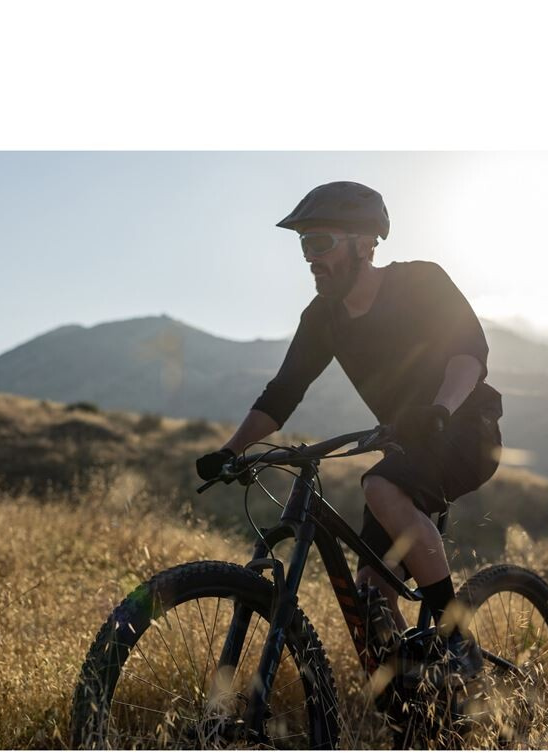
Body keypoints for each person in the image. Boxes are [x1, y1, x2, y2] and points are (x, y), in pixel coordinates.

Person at [196, 181, 503, 680]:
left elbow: (469, 354)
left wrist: (440, 409)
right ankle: (420, 700)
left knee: (380, 484)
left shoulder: (421, 282)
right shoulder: (323, 318)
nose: (311, 259)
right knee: (370, 596)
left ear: (364, 244)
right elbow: (282, 393)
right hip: (408, 446)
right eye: (305, 245)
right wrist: (230, 451)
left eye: (321, 243)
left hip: (467, 429)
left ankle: (457, 641)